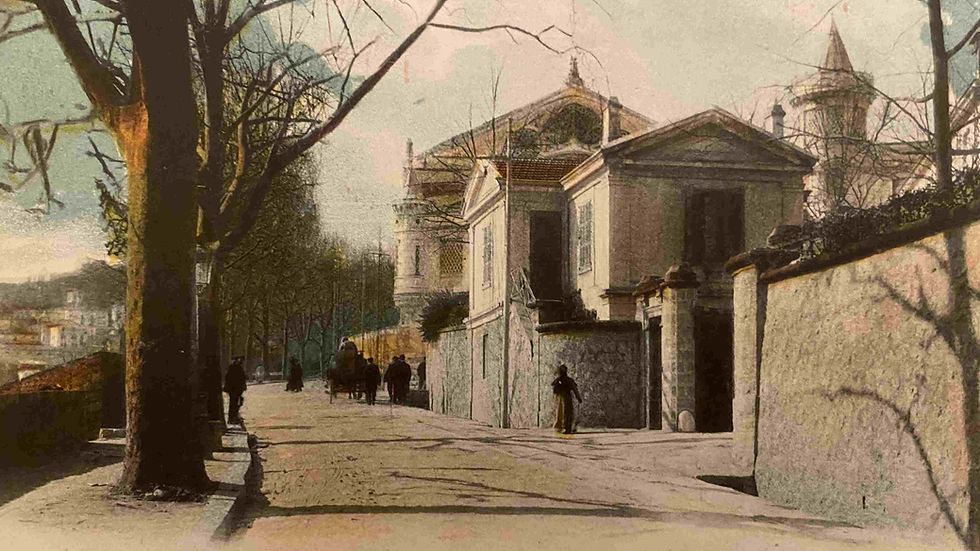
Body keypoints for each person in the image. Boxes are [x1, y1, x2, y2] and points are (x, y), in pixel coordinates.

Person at [552, 364, 582, 434]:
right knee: (565, 413)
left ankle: (565, 428)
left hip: (563, 398)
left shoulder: (561, 380)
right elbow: (575, 389)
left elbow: (555, 390)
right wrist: (578, 398)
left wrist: (578, 397)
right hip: (565, 398)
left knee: (565, 413)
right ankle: (565, 428)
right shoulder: (567, 380)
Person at [224, 356, 247, 424]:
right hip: (235, 388)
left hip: (235, 389)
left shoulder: (234, 367)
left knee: (235, 402)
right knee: (234, 403)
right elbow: (240, 378)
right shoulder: (236, 367)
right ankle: (232, 417)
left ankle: (233, 416)